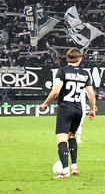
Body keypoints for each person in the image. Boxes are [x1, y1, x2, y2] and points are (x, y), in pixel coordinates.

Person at [40, 48, 96, 179]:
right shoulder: (85, 74)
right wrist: (93, 109)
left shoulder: (62, 71)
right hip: (78, 109)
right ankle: (74, 165)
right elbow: (91, 94)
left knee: (61, 138)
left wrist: (46, 103)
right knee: (72, 136)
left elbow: (55, 92)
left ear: (67, 58)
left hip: (65, 108)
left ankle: (65, 170)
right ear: (80, 59)